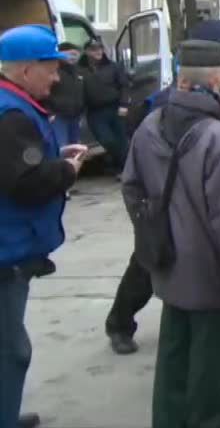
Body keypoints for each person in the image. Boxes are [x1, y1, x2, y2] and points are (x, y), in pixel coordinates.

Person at [121, 40, 220, 428]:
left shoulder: (149, 126)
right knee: (211, 365)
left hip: (166, 262)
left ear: (179, 79)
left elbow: (130, 187)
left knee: (174, 356)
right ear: (216, 80)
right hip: (209, 271)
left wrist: (151, 231)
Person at [0, 25, 88, 428]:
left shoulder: (12, 106)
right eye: (50, 68)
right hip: (6, 254)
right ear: (24, 71)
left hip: (12, 248)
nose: (57, 77)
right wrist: (66, 170)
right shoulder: (11, 115)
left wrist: (55, 157)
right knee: (10, 351)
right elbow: (26, 182)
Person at [79, 38, 129, 173]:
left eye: (100, 48)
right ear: (87, 52)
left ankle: (124, 170)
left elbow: (124, 86)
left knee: (121, 140)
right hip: (95, 111)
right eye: (94, 49)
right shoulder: (80, 69)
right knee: (106, 140)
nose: (98, 52)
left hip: (115, 108)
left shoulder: (114, 66)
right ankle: (115, 162)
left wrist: (124, 105)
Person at [43, 42, 84, 149]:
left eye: (75, 54)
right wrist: (49, 112)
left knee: (75, 147)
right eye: (70, 54)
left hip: (75, 116)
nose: (73, 57)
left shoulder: (78, 71)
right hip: (58, 116)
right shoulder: (52, 70)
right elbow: (43, 93)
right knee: (61, 147)